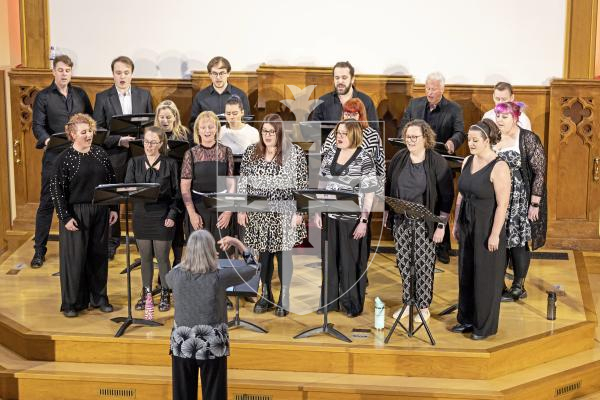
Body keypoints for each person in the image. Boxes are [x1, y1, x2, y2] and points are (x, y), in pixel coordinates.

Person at [166, 231, 258, 400]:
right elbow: (252, 268)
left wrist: (193, 257)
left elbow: (170, 275)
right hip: (212, 344)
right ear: (211, 251)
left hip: (182, 344)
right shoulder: (219, 276)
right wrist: (238, 243)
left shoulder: (176, 275)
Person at [238, 113, 308, 317]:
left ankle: (284, 296)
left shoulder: (293, 153)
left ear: (279, 132)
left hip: (284, 213)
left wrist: (300, 212)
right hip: (259, 213)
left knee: (283, 255)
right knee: (264, 256)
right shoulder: (252, 151)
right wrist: (242, 208)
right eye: (264, 131)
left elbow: (302, 185)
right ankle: (266, 294)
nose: (267, 135)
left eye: (271, 131)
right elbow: (243, 182)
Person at [50, 113, 119, 317]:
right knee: (75, 258)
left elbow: (111, 181)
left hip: (100, 210)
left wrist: (113, 207)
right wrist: (65, 217)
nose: (88, 135)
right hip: (75, 213)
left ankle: (99, 297)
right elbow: (56, 190)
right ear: (72, 135)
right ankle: (72, 302)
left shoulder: (100, 154)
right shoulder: (63, 159)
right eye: (83, 132)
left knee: (99, 255)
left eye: (90, 131)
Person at [386, 120, 454, 323]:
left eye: (415, 137)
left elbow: (446, 196)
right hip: (402, 221)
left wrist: (441, 225)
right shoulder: (399, 158)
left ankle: (423, 306)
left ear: (425, 138)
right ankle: (408, 302)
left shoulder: (436, 161)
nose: (410, 141)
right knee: (404, 263)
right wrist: (389, 214)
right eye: (408, 137)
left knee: (423, 265)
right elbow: (389, 185)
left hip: (426, 223)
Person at [30, 54, 93, 268]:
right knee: (47, 202)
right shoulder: (43, 97)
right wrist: (47, 139)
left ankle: (82, 249)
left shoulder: (81, 95)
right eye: (60, 70)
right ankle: (39, 250)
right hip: (54, 157)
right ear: (53, 71)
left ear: (71, 72)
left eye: (67, 70)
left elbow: (90, 122)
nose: (64, 73)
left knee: (78, 200)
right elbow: (37, 125)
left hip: (79, 157)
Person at [451, 119, 511, 340]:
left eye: (475, 140)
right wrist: (456, 223)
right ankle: (465, 319)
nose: (470, 143)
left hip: (487, 226)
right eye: (468, 139)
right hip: (467, 223)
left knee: (485, 277)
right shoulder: (467, 160)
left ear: (487, 140)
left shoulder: (499, 167)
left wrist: (495, 233)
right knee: (466, 273)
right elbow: (461, 195)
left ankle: (483, 327)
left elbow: (503, 204)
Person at [397, 71, 465, 264]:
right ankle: (410, 247)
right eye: (427, 88)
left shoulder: (453, 109)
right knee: (419, 200)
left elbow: (460, 131)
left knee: (439, 202)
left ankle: (441, 247)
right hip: (415, 161)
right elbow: (404, 126)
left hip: (440, 163)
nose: (430, 92)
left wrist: (453, 141)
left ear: (442, 89)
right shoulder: (414, 105)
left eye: (433, 88)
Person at [314, 119, 379, 317]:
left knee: (350, 264)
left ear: (354, 135)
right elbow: (321, 183)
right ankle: (330, 302)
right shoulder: (330, 154)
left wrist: (364, 220)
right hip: (329, 216)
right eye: (337, 133)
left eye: (343, 133)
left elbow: (369, 192)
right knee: (330, 261)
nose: (339, 137)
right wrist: (317, 211)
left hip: (352, 219)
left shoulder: (365, 158)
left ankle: (351, 304)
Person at [93, 55, 154, 259]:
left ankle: (143, 241)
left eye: (126, 73)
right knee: (114, 198)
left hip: (139, 155)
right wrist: (119, 140)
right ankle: (112, 242)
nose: (122, 76)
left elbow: (151, 126)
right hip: (115, 154)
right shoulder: (103, 97)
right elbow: (99, 130)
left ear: (131, 74)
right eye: (118, 73)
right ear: (113, 74)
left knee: (141, 196)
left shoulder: (144, 96)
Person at [494, 102, 547, 301]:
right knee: (499, 240)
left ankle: (518, 285)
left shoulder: (527, 138)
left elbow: (539, 172)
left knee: (518, 241)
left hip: (519, 198)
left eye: (504, 117)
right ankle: (498, 283)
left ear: (515, 118)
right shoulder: (493, 136)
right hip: (497, 196)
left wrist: (534, 204)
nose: (499, 120)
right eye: (498, 116)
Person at [125, 126, 180, 312]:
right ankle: (147, 294)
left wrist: (172, 215)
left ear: (161, 143)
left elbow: (178, 194)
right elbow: (128, 189)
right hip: (141, 215)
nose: (149, 145)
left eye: (153, 142)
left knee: (163, 257)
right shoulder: (134, 162)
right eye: (146, 141)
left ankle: (165, 293)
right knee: (145, 257)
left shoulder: (170, 163)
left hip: (163, 216)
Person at [181, 111, 235, 252]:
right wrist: (192, 214)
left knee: (222, 254)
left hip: (221, 209)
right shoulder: (190, 154)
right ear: (198, 130)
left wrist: (228, 212)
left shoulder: (226, 152)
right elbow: (185, 189)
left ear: (217, 129)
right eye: (203, 127)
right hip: (198, 209)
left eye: (211, 127)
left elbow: (232, 186)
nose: (207, 131)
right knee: (200, 256)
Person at [154, 99, 193, 266]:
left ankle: (178, 261)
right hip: (160, 186)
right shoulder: (153, 135)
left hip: (179, 184)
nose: (165, 121)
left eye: (168, 117)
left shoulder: (184, 134)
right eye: (161, 117)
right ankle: (163, 265)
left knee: (177, 225)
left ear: (175, 117)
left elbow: (190, 158)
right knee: (162, 223)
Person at [310, 61, 379, 131]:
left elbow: (375, 131)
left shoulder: (366, 101)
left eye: (344, 78)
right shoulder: (323, 101)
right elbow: (314, 132)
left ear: (352, 79)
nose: (340, 81)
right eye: (337, 78)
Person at [188, 56, 250, 129]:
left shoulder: (240, 95)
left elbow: (247, 121)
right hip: (209, 137)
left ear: (228, 73)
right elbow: (193, 123)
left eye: (222, 73)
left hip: (233, 138)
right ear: (210, 75)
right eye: (214, 73)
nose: (218, 77)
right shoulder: (200, 96)